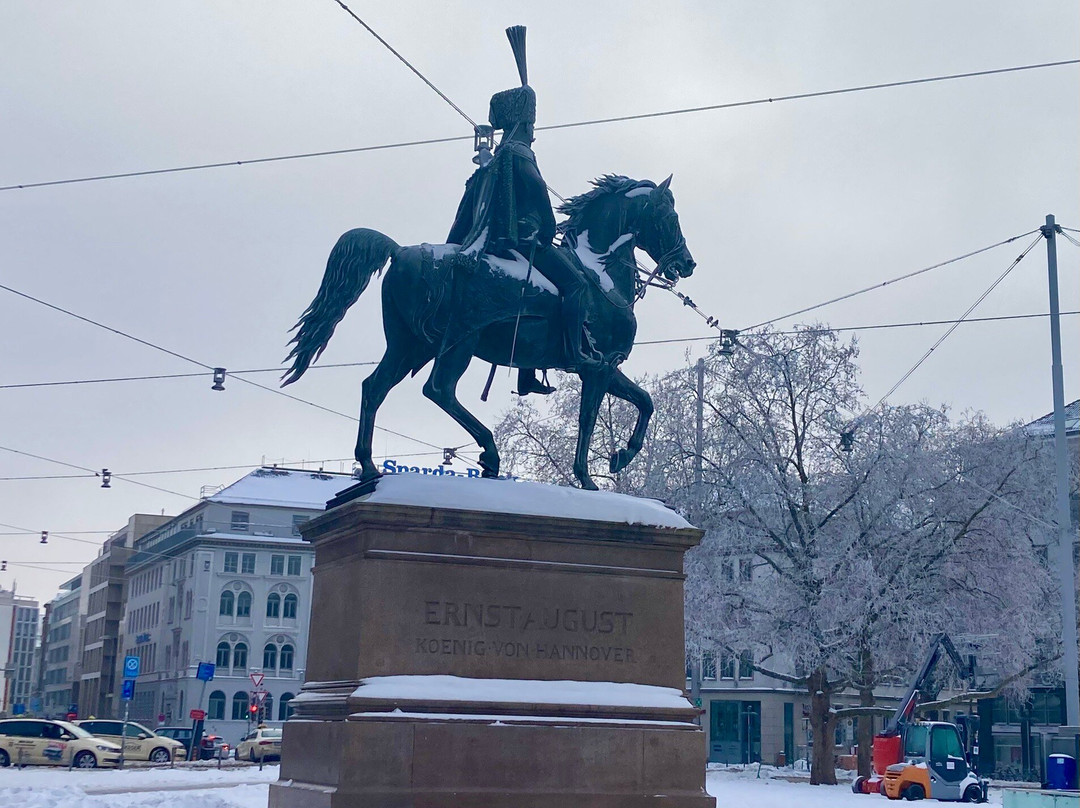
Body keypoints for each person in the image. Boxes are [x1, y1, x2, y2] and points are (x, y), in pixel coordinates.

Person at [447, 27, 601, 395]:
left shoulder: (500, 155)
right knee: (577, 284)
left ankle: (527, 373)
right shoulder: (520, 154)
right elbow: (540, 200)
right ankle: (574, 352)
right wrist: (548, 230)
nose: (535, 129)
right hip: (523, 242)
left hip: (501, 241)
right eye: (532, 122)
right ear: (523, 122)